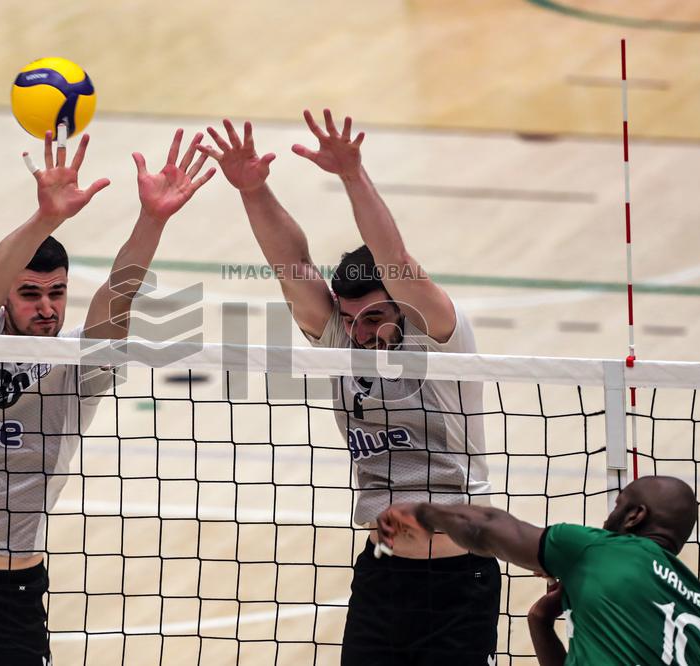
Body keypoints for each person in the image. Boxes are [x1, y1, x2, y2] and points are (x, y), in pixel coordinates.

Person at [0, 127, 215, 665]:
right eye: (30, 293)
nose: (48, 307)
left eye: (57, 292)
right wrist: (47, 216)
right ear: (8, 298)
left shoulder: (78, 368)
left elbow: (117, 296)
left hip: (7, 604)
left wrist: (153, 218)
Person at [200, 110, 498, 665]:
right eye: (355, 319)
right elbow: (290, 264)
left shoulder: (438, 336)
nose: (367, 332)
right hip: (382, 574)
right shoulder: (342, 338)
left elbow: (398, 261)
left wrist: (352, 176)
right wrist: (253, 189)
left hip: (458, 579)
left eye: (379, 316)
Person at [377, 476, 700, 665]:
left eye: (617, 505)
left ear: (635, 516)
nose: (609, 516)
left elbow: (487, 525)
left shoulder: (601, 551)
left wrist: (423, 514)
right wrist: (541, 622)